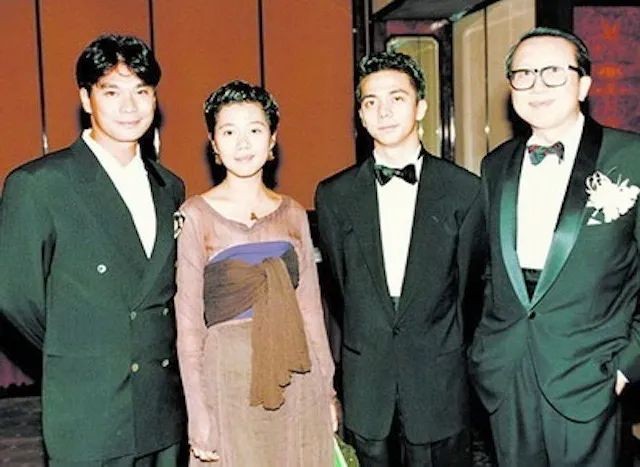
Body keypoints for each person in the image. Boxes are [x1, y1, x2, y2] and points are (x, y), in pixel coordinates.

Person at [0, 34, 185, 465]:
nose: (129, 106)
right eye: (112, 92)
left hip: (161, 411)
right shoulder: (41, 184)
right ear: (86, 98)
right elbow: (14, 297)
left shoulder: (170, 188)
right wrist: (78, 350)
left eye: (141, 91)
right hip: (89, 410)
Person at [468, 27, 640, 466]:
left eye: (553, 73)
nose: (536, 85)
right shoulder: (495, 165)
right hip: (506, 372)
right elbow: (489, 272)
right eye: (523, 74)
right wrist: (484, 353)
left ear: (583, 85)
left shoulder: (631, 157)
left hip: (590, 372)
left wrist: (627, 364)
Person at [315, 51, 485, 467]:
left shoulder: (465, 190)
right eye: (371, 102)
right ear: (361, 115)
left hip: (438, 381)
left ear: (421, 107)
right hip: (367, 381)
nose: (384, 111)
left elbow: (470, 293)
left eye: (397, 98)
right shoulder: (334, 196)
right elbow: (341, 288)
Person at [175, 80, 337, 466]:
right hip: (227, 379)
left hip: (295, 373)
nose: (243, 143)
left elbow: (311, 312)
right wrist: (198, 412)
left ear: (272, 139)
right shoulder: (195, 215)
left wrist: (328, 392)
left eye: (254, 130)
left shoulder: (293, 213)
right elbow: (188, 325)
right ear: (214, 145)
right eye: (229, 132)